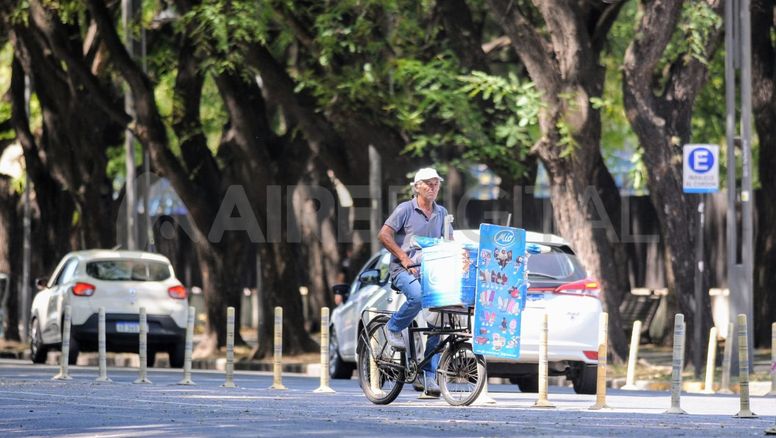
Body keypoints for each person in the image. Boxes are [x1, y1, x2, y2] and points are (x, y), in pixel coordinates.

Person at [377, 167, 449, 396]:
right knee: (418, 297)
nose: (433, 187)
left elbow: (448, 241)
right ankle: (393, 326)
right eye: (428, 183)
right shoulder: (405, 209)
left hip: (431, 273)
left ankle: (429, 374)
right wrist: (403, 257)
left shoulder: (442, 212)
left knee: (441, 315)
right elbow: (384, 235)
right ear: (417, 186)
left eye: (436, 183)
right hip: (403, 271)